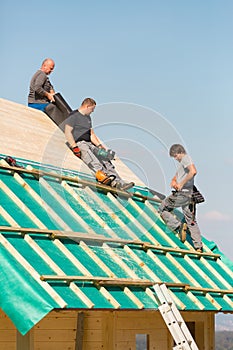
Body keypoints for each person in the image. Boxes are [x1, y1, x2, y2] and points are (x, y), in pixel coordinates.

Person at [64, 97, 134, 191]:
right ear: (87, 106)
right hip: (80, 143)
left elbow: (91, 134)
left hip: (90, 143)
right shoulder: (74, 115)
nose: (92, 112)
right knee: (93, 160)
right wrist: (74, 147)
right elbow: (67, 131)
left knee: (105, 159)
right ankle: (108, 180)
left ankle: (120, 183)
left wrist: (101, 147)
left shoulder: (88, 118)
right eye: (92, 109)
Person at [158, 144, 203, 252]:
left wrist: (181, 184)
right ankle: (198, 247)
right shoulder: (183, 164)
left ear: (179, 153)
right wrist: (174, 181)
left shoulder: (185, 158)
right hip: (189, 196)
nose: (176, 159)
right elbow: (178, 175)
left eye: (175, 156)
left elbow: (193, 171)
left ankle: (178, 227)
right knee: (191, 221)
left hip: (182, 194)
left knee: (162, 209)